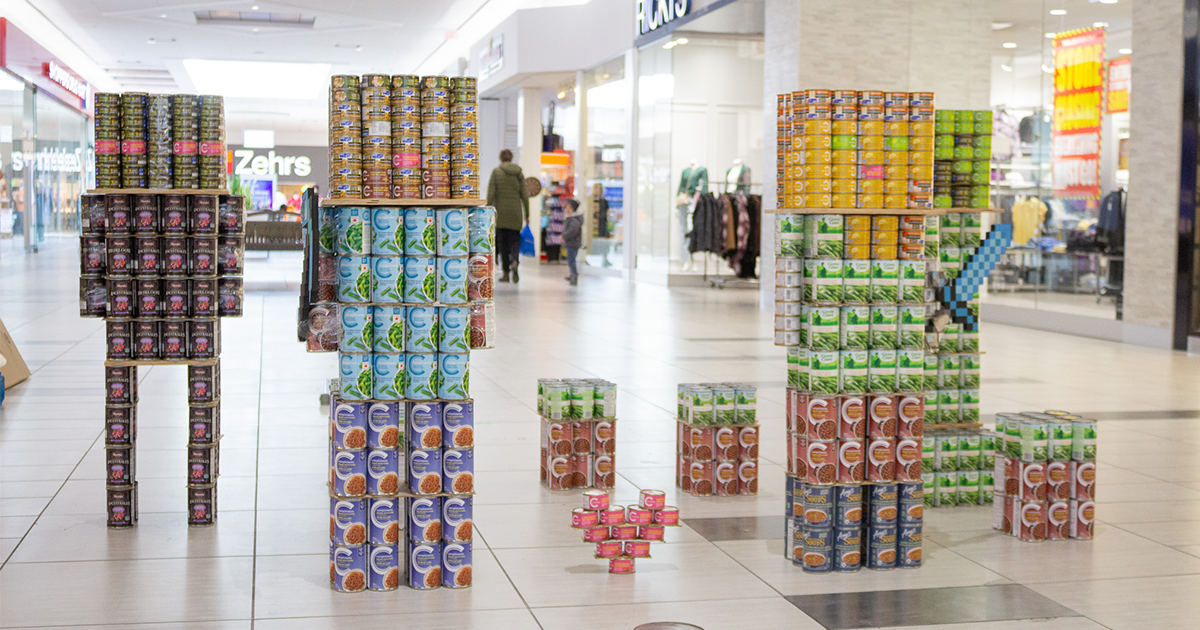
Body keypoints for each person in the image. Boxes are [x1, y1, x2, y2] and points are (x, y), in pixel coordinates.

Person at [486, 149, 530, 283]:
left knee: (503, 244)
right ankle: (515, 261)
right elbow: (525, 195)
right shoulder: (518, 173)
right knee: (515, 241)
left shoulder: (496, 172)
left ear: (500, 158)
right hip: (516, 213)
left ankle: (506, 273)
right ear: (511, 158)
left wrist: (488, 210)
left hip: (501, 213)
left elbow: (491, 193)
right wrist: (527, 214)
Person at [561, 198, 582, 286]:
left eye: (569, 208)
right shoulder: (571, 218)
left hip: (572, 243)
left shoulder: (573, 219)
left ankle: (574, 275)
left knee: (571, 260)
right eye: (566, 208)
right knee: (570, 259)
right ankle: (572, 274)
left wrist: (564, 236)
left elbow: (572, 230)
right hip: (571, 243)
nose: (566, 210)